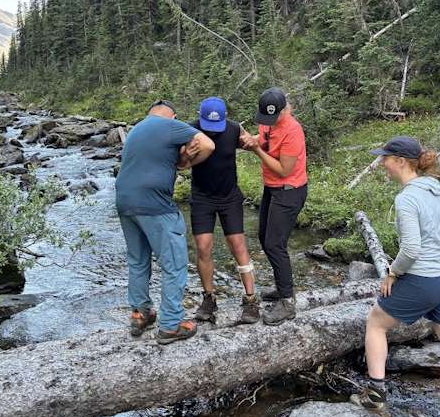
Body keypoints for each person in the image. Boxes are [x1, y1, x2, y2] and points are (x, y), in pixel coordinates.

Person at [350, 136, 440, 417]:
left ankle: (376, 396)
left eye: (386, 158)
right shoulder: (437, 191)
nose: (383, 163)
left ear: (402, 162)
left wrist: (393, 272)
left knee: (376, 323)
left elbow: (411, 249)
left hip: (424, 280)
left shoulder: (407, 199)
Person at [115, 99, 215, 345]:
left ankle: (140, 314)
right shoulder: (170, 125)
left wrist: (177, 160)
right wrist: (188, 162)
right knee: (174, 264)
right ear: (173, 116)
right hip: (155, 204)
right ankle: (171, 324)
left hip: (124, 201)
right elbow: (208, 144)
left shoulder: (137, 129)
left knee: (138, 261)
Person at [186, 97, 259, 325]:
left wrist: (254, 141)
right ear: (200, 115)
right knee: (203, 247)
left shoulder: (235, 128)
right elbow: (176, 156)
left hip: (229, 197)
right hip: (202, 198)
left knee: (238, 245)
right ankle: (209, 298)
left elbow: (250, 141)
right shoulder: (190, 129)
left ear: (226, 117)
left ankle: (250, 299)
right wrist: (186, 154)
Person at [243, 87, 308, 325]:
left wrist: (256, 150)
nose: (268, 122)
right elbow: (265, 138)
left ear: (283, 110)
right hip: (272, 188)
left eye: (273, 117)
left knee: (274, 243)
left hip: (289, 191)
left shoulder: (293, 131)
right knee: (264, 237)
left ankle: (287, 302)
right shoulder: (267, 122)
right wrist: (253, 140)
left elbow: (283, 169)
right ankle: (283, 288)